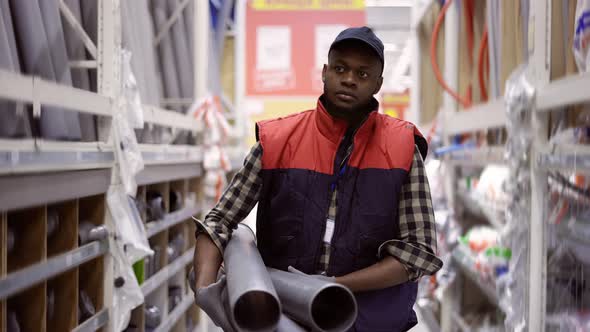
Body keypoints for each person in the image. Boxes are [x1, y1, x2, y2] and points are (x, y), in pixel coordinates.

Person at [191, 26, 442, 332]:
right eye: (340, 68)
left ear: (378, 83)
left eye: (363, 74)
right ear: (324, 72)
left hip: (371, 321)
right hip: (283, 318)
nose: (349, 79)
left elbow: (418, 252)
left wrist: (334, 286)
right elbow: (220, 220)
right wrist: (205, 290)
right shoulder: (278, 142)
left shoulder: (402, 149)